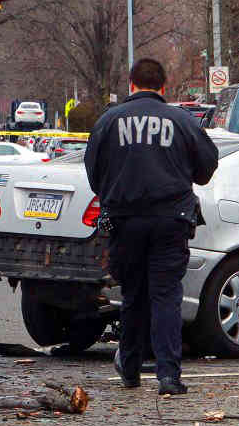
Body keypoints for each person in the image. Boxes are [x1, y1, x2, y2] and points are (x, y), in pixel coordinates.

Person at [85, 59, 219, 395]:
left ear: (131, 84)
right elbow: (206, 167)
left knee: (133, 296)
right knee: (165, 296)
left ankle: (129, 369)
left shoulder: (108, 121)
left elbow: (93, 174)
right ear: (164, 86)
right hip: (171, 221)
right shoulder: (182, 121)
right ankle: (168, 376)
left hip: (125, 220)